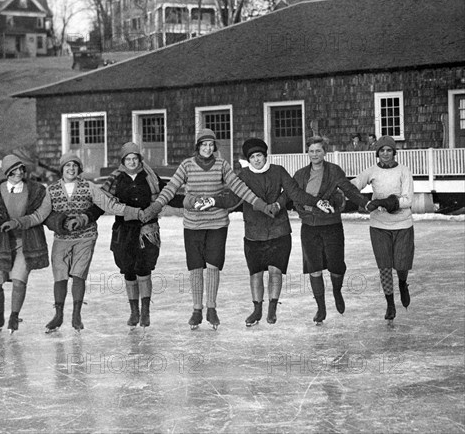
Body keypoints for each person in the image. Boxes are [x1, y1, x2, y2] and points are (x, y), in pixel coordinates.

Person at [142, 129, 285, 330]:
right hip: (193, 224)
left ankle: (211, 308)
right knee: (195, 268)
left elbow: (240, 188)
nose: (208, 148)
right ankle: (196, 310)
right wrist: (155, 207)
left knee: (213, 266)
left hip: (217, 223)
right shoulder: (187, 165)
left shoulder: (221, 165)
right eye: (204, 144)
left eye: (211, 144)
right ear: (198, 146)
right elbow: (170, 189)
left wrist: (262, 205)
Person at [184, 138, 335, 327]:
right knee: (255, 273)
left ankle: (272, 307)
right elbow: (232, 196)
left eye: (259, 156)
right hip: (254, 231)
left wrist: (316, 201)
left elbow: (294, 192)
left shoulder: (278, 171)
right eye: (253, 157)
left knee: (275, 271)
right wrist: (213, 201)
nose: (256, 160)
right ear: (249, 159)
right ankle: (257, 309)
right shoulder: (244, 175)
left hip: (278, 229)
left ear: (265, 156)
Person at [43, 152, 142, 332]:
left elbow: (108, 205)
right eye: (67, 166)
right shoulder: (51, 190)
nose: (71, 169)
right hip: (62, 238)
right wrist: (24, 222)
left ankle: (76, 315)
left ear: (79, 169)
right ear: (62, 169)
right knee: (60, 275)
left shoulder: (88, 187)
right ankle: (58, 315)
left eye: (74, 166)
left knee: (79, 274)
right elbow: (42, 214)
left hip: (85, 237)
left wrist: (134, 212)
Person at [101, 142, 184, 328]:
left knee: (144, 270)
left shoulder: (150, 176)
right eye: (128, 159)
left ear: (140, 159)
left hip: (148, 230)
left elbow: (168, 194)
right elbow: (102, 202)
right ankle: (134, 312)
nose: (132, 162)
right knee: (129, 271)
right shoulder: (116, 179)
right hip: (123, 232)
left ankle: (145, 312)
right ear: (123, 161)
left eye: (135, 158)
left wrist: (189, 202)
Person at [293, 136, 374, 325]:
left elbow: (349, 189)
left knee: (336, 265)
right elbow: (294, 196)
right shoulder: (300, 174)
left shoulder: (334, 171)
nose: (314, 154)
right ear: (308, 153)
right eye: (311, 151)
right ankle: (321, 308)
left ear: (325, 152)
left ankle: (337, 292)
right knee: (314, 267)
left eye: (318, 151)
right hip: (310, 227)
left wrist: (366, 203)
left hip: (331, 225)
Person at [0, 155, 52, 334]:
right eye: (14, 170)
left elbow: (42, 214)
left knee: (19, 282)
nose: (19, 173)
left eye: (21, 169)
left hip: (24, 243)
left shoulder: (35, 191)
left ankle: (14, 316)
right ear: (6, 172)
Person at [351, 136, 413, 323]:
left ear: (394, 152)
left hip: (402, 224)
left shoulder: (404, 171)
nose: (385, 154)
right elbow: (354, 185)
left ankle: (402, 283)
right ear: (377, 153)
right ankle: (390, 304)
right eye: (381, 150)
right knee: (385, 266)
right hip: (379, 226)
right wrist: (340, 188)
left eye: (389, 150)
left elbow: (408, 200)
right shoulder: (372, 171)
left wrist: (385, 202)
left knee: (401, 265)